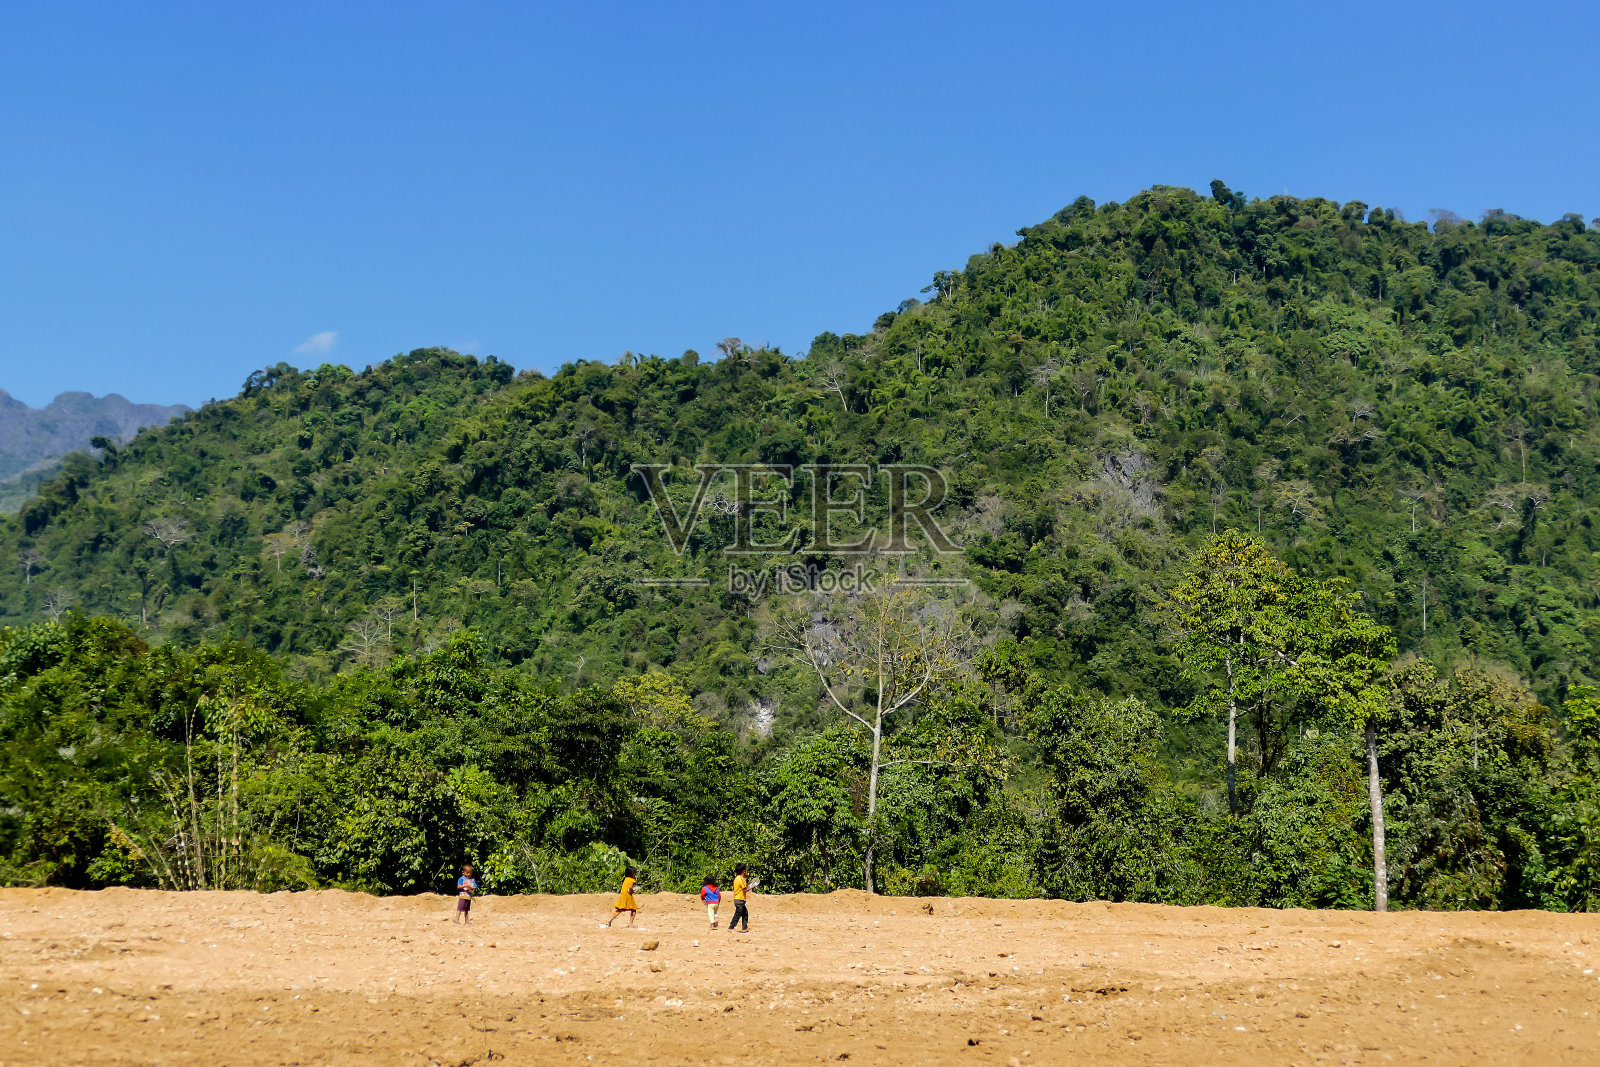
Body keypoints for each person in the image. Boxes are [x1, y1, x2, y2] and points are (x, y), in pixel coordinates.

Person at [728, 863, 751, 933]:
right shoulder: (741, 879)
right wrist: (752, 887)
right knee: (738, 914)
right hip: (740, 899)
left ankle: (744, 927)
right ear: (744, 871)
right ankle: (731, 927)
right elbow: (745, 889)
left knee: (744, 913)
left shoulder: (737, 878)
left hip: (737, 899)